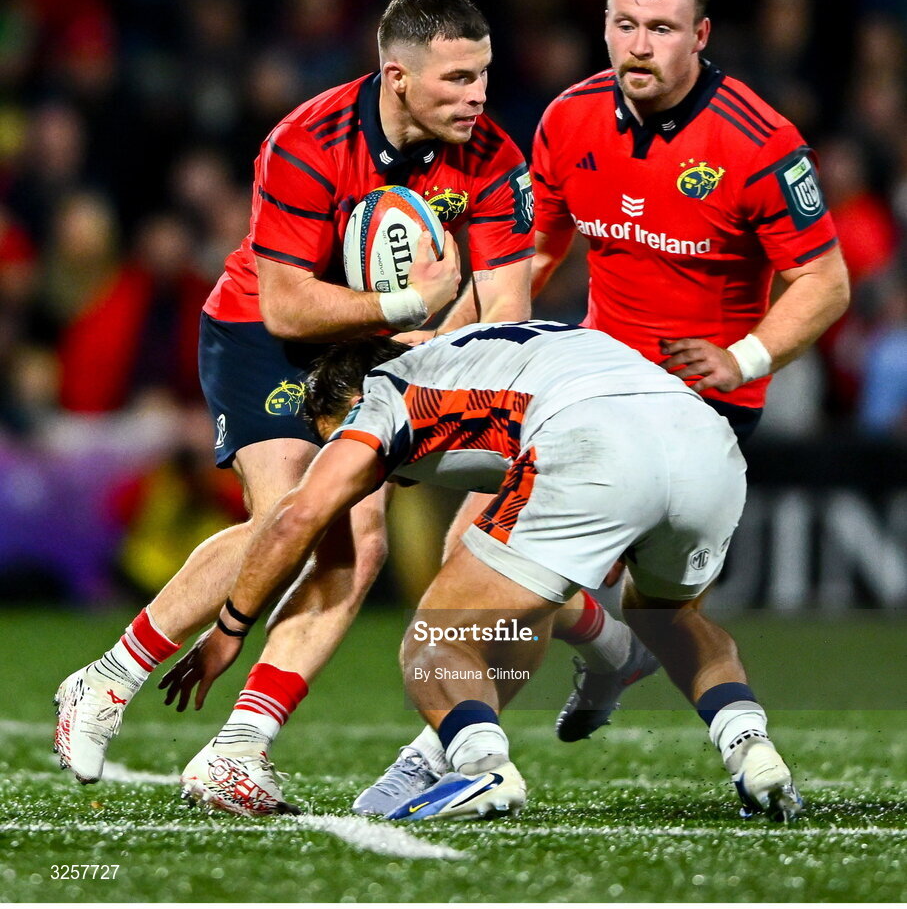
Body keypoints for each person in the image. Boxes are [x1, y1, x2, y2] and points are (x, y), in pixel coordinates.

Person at [351, 0, 852, 805]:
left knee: (497, 584)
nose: (638, 45)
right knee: (589, 590)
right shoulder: (569, 120)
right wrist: (456, 339)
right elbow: (531, 253)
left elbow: (825, 280)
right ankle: (678, 704)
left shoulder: (759, 142)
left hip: (702, 411)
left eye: (661, 27)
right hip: (583, 397)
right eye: (623, 24)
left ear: (702, 35)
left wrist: (741, 357)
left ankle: (463, 748)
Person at [52, 0, 534, 785]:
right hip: (264, 333)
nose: (476, 96)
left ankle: (238, 751)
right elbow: (284, 301)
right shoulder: (307, 140)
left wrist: (427, 355)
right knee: (290, 517)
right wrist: (408, 305)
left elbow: (506, 303)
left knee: (362, 542)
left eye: (481, 75)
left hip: (390, 346)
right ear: (397, 78)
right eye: (455, 79)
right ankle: (106, 681)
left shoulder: (492, 154)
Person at [174, 322, 801, 823]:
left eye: (329, 437)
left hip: (591, 441)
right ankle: (751, 746)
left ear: (350, 403)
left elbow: (295, 519)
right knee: (669, 618)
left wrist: (229, 629)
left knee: (436, 640)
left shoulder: (382, 393)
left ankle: (481, 767)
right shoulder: (483, 350)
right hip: (705, 442)